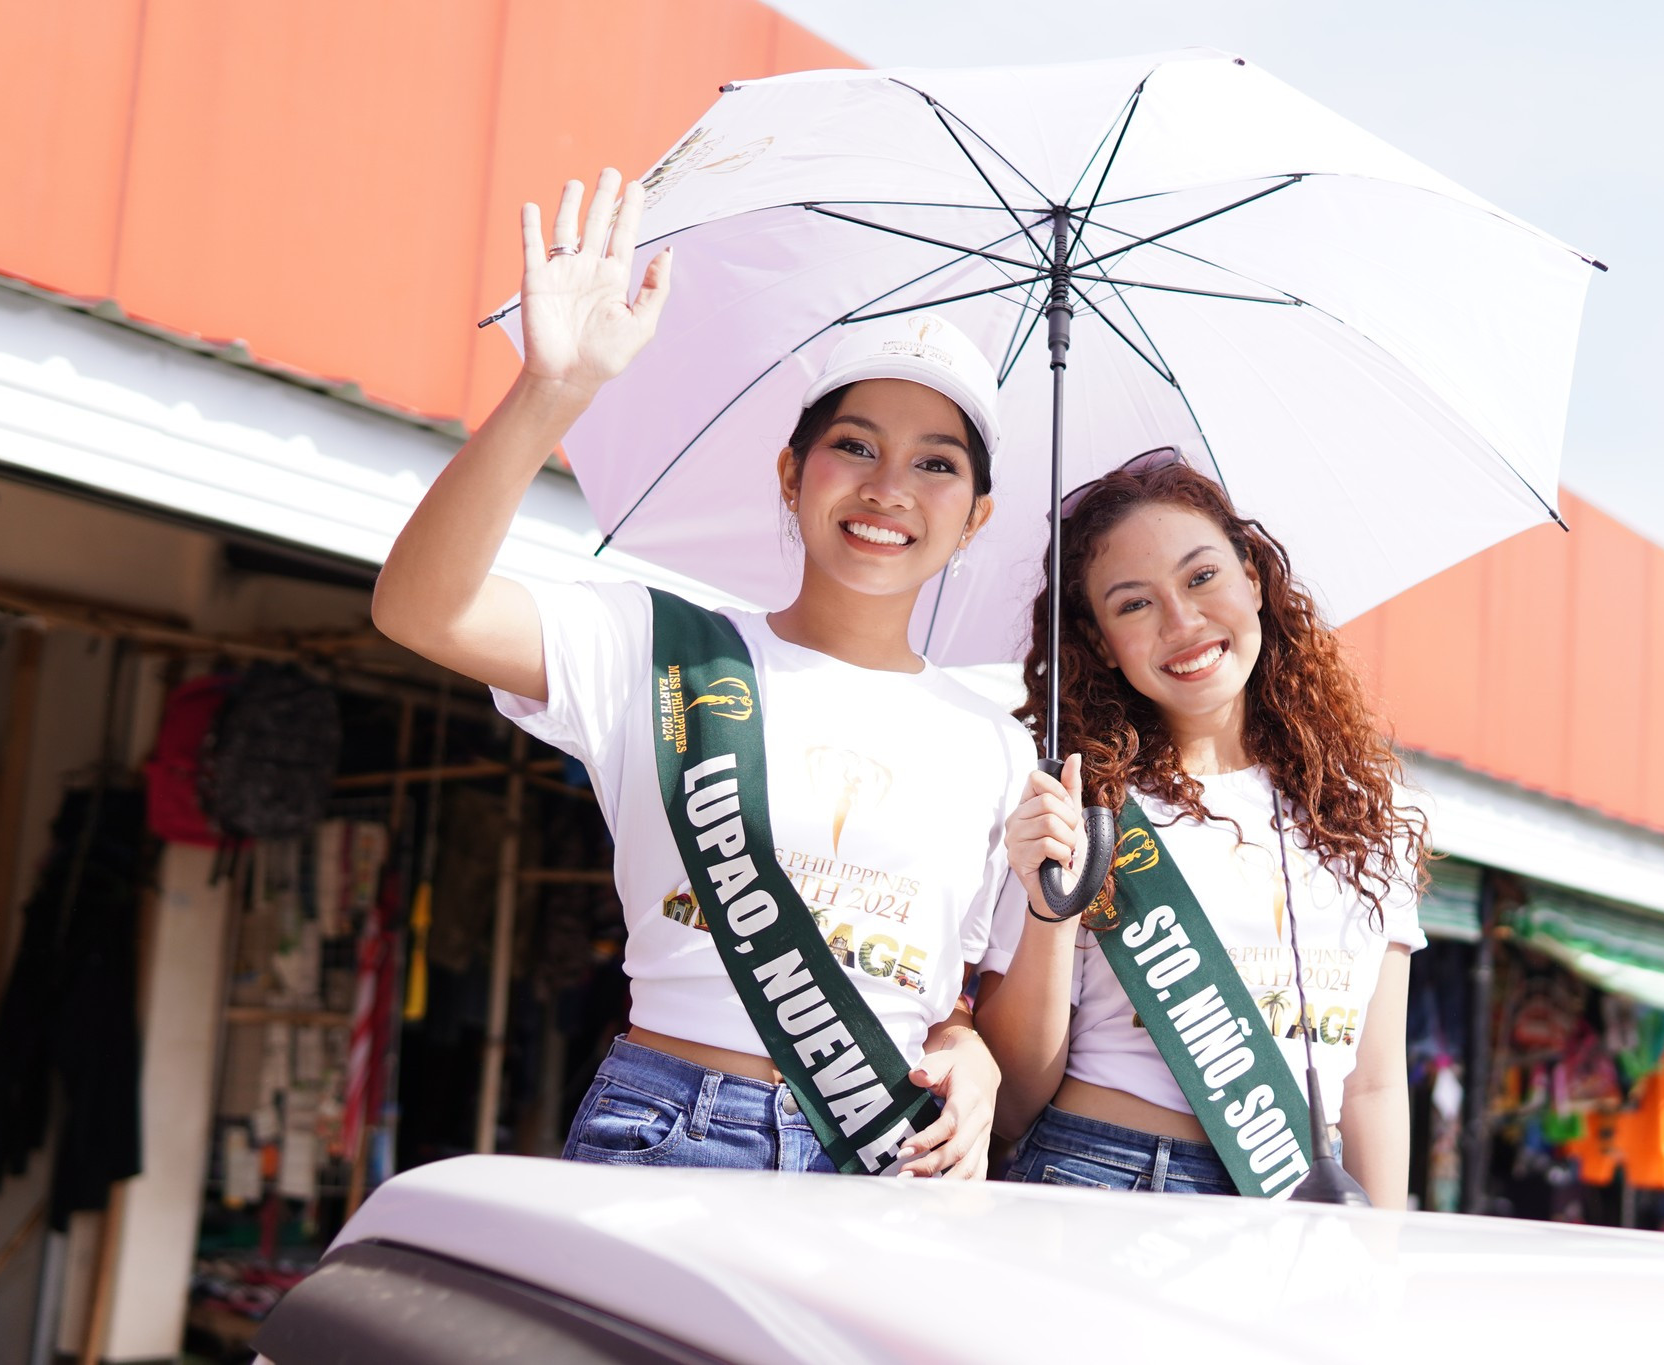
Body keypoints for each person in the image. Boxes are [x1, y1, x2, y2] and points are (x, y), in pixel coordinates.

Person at [374, 169, 1031, 1178]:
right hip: (667, 1129)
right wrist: (553, 391)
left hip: (882, 1155)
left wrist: (968, 1049)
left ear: (975, 516)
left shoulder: (997, 743)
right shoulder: (662, 650)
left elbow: (940, 994)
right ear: (789, 471)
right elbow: (424, 609)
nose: (888, 488)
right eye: (852, 445)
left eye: (936, 463)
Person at [975, 455, 1428, 1200]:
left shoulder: (1375, 817)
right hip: (1101, 1178)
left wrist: (1377, 1264)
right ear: (1097, 642)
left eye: (1201, 577)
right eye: (1133, 605)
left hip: (1295, 1197)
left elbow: (1374, 1086)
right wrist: (1052, 907)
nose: (1182, 622)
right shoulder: (1078, 802)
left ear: (1253, 576)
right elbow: (1015, 1096)